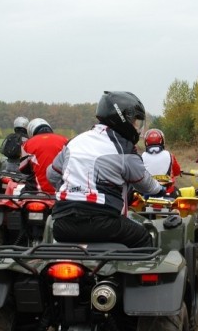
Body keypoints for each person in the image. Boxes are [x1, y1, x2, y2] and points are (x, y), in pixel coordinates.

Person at [47, 91, 165, 248]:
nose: (136, 127)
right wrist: (160, 190)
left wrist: (75, 191)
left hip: (63, 224)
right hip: (102, 224)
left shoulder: (74, 142)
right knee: (143, 237)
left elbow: (52, 174)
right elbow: (145, 183)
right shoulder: (123, 149)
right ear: (123, 119)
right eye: (135, 122)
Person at [19, 118, 68, 194]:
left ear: (31, 131)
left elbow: (23, 169)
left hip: (36, 190)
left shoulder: (27, 144)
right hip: (62, 190)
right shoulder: (65, 140)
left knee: (20, 195)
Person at [141, 128, 182, 195]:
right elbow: (177, 172)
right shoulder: (169, 155)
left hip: (147, 192)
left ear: (146, 142)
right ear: (161, 141)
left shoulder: (142, 156)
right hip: (167, 192)